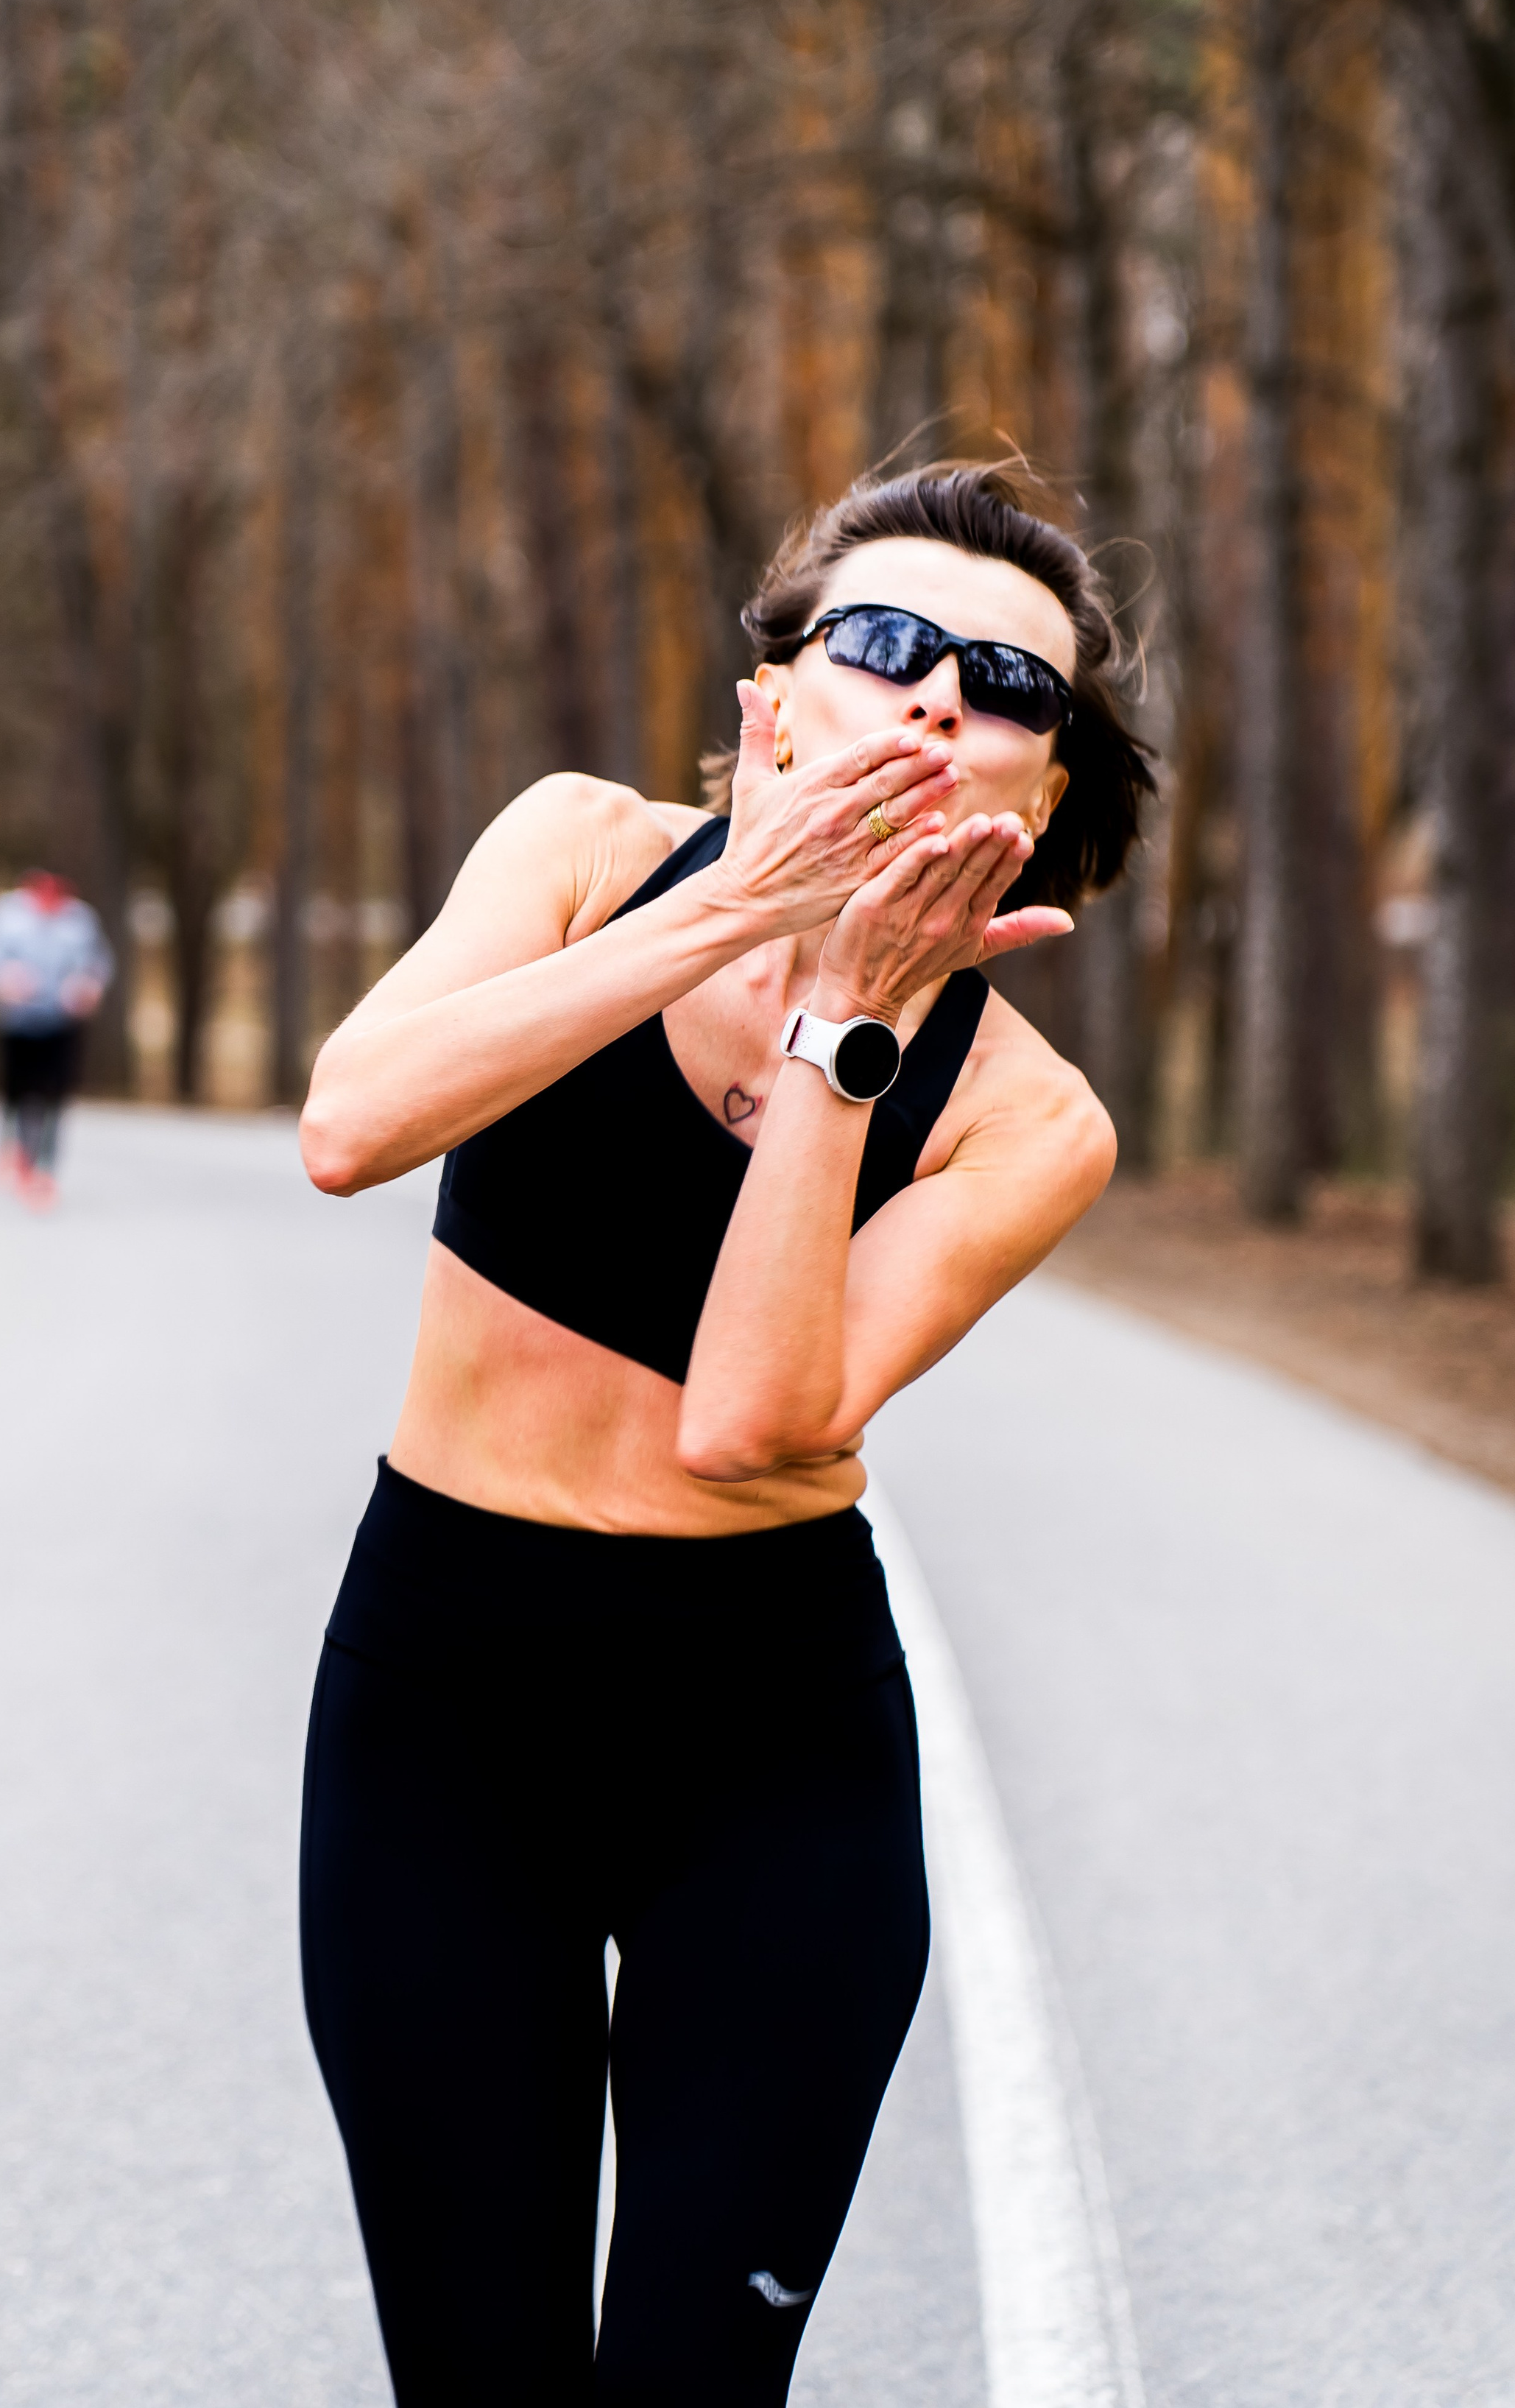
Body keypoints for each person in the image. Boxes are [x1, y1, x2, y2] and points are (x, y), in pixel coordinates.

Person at [296, 460, 1154, 2406]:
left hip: (768, 1756)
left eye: (1011, 687)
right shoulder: (583, 853)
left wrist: (847, 1018)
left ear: (1039, 792)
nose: (945, 694)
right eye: (887, 645)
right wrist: (731, 917)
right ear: (774, 704)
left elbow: (750, 1419)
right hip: (443, 1708)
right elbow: (353, 1122)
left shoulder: (1028, 1120)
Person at [0, 870, 115, 1207]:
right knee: (17, 1091)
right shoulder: (4, 916)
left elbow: (100, 962)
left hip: (61, 1020)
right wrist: (0, 976)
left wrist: (89, 985)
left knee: (56, 1095)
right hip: (16, 1021)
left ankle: (45, 1170)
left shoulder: (80, 921)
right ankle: (13, 1148)